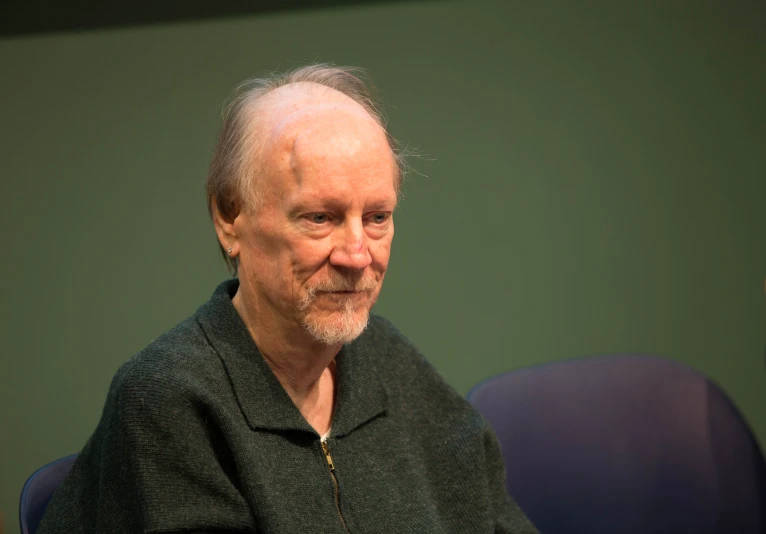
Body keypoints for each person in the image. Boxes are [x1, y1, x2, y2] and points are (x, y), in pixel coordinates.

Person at [38, 64, 537, 533]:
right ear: (230, 217)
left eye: (377, 217)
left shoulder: (391, 362)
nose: (357, 255)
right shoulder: (168, 400)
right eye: (320, 218)